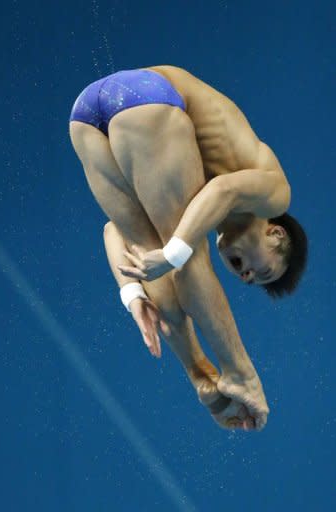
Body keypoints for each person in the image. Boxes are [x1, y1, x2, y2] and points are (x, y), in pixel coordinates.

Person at [69, 65, 308, 432]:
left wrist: (133, 294)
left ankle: (200, 374)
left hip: (86, 115)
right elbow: (222, 191)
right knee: (184, 255)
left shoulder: (192, 205)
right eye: (264, 270)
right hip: (147, 95)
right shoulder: (275, 196)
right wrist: (175, 253)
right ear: (276, 235)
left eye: (248, 280)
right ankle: (241, 374)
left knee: (159, 251)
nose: (245, 274)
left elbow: (113, 232)